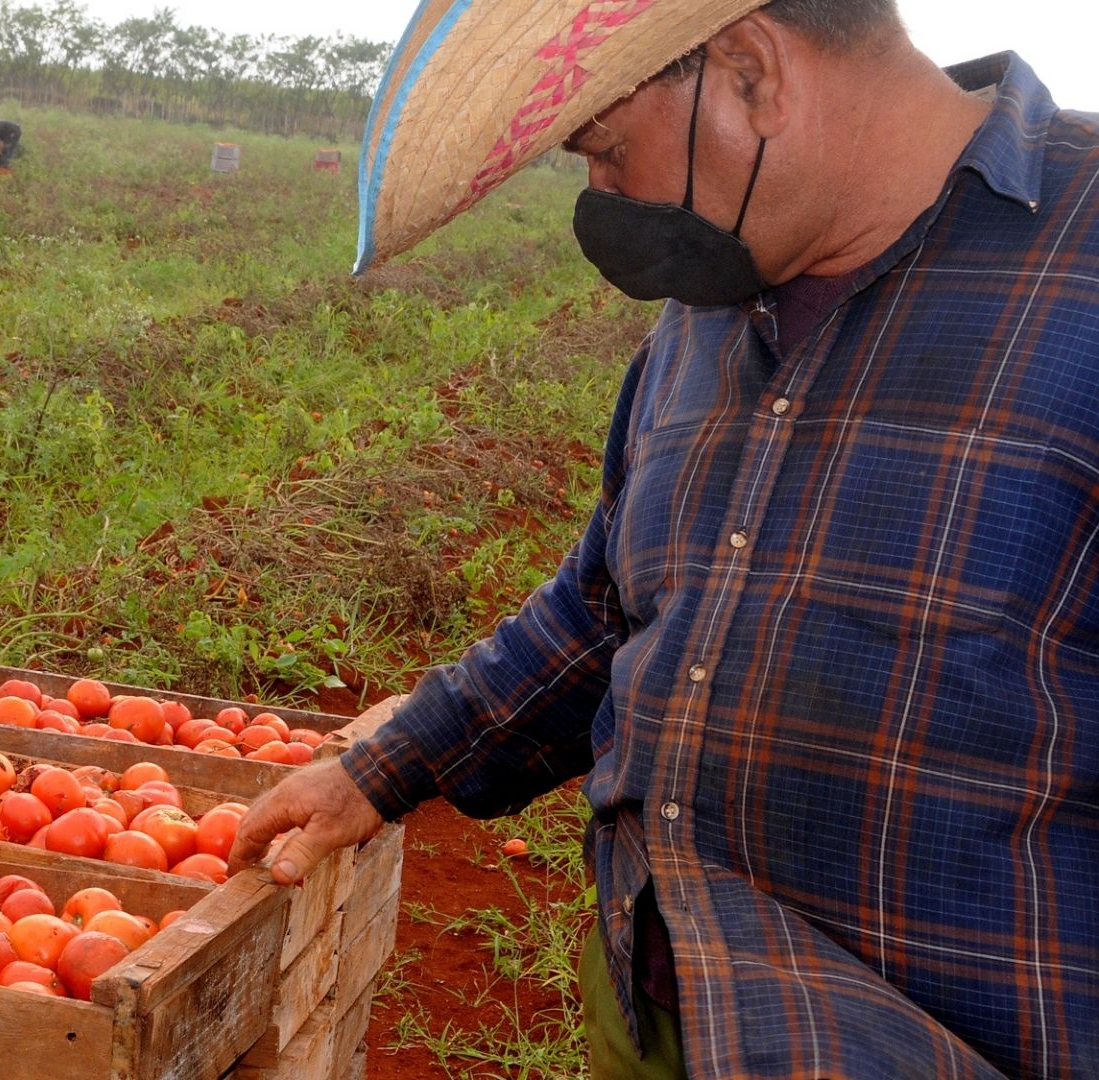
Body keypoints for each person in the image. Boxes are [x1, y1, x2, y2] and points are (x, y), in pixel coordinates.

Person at [231, 2, 1097, 1078]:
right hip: (667, 999)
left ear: (751, 70)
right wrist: (385, 771)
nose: (603, 196)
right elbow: (612, 599)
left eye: (604, 148)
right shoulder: (711, 303)